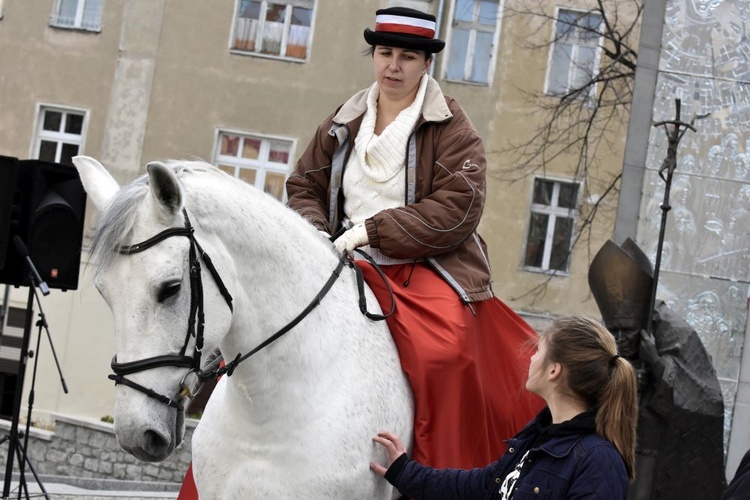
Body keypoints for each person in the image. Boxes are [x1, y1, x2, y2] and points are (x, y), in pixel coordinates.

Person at [286, 6, 543, 470]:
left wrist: (372, 230)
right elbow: (304, 183)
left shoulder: (453, 128)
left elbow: (457, 208)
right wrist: (316, 233)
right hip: (338, 256)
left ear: (427, 64)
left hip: (425, 265)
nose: (393, 66)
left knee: (446, 355)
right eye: (384, 53)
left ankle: (436, 472)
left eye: (407, 56)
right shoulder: (343, 119)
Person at [370, 315, 638, 499]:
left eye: (538, 351)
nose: (531, 359)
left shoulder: (599, 461)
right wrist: (404, 472)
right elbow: (475, 487)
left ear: (555, 370)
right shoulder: (536, 439)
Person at [588, 238, 727, 500]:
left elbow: (707, 400)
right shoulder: (606, 342)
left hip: (653, 449)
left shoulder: (677, 333)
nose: (618, 339)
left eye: (626, 331)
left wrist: (656, 363)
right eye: (612, 330)